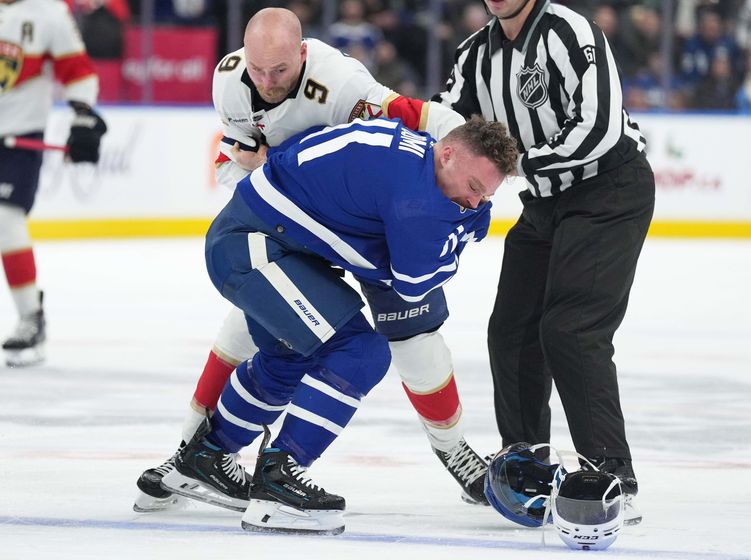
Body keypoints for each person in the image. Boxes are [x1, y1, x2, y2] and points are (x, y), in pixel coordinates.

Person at [133, 7, 490, 513]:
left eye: (280, 71)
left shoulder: (342, 85)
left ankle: (455, 452)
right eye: (259, 70)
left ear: (303, 54)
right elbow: (237, 162)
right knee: (254, 328)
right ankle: (193, 452)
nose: (268, 82)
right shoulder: (230, 82)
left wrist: (477, 168)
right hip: (296, 223)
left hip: (369, 224)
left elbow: (423, 120)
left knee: (414, 336)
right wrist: (270, 186)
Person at [160, 116, 519, 534]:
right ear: (448, 153)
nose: (475, 204)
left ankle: (204, 458)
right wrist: (465, 230)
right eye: (474, 189)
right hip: (253, 246)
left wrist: (461, 220)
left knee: (288, 357)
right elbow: (412, 282)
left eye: (485, 197)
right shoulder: (412, 192)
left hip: (267, 242)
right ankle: (280, 476)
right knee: (361, 351)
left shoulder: (415, 157)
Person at [432, 0, 656, 524]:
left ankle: (610, 470)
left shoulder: (571, 31)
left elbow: (599, 127)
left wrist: (509, 165)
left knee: (571, 329)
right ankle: (527, 462)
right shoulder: (475, 54)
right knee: (512, 329)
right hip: (545, 202)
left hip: (610, 190)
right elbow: (442, 122)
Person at [0, 0, 107, 367]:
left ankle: (31, 317)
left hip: (15, 138)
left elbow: (78, 71)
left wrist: (82, 118)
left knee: (5, 221)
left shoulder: (47, 11)